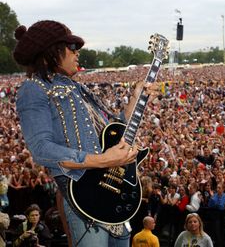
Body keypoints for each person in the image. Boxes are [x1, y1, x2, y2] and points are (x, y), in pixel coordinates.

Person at [13, 20, 158, 247]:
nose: (77, 52)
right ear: (50, 52)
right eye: (71, 47)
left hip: (111, 192)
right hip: (84, 196)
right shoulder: (34, 89)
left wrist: (136, 98)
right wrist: (104, 160)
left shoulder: (77, 87)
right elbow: (41, 149)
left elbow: (114, 129)